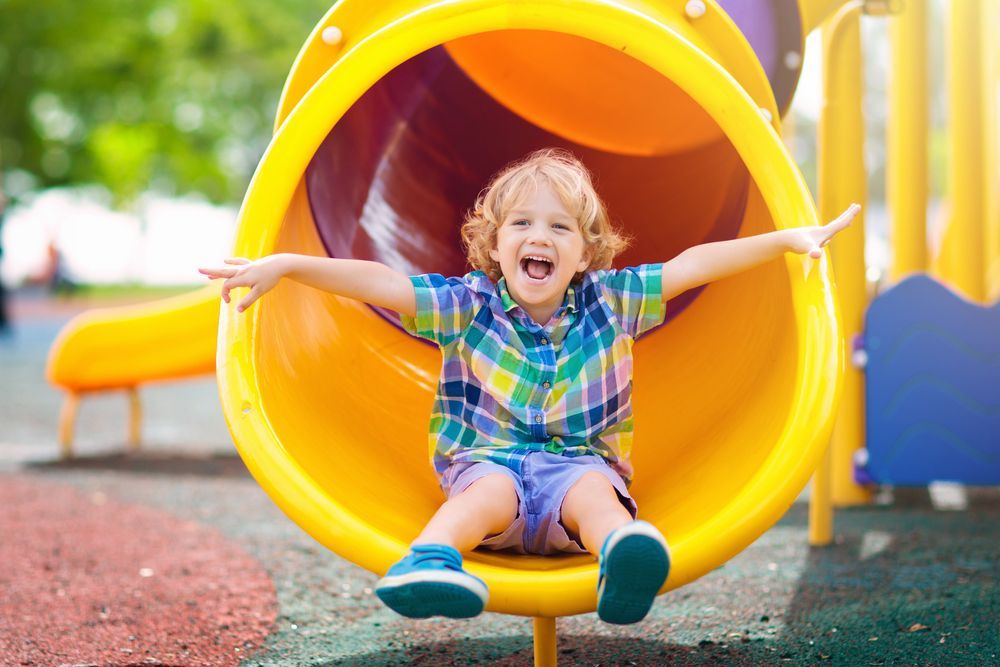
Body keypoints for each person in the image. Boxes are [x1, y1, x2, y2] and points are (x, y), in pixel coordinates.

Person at [200, 148, 858, 625]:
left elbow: (692, 266)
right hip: (490, 469)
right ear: (493, 244)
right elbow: (381, 282)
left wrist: (784, 240)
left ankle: (622, 554)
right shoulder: (467, 303)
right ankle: (429, 560)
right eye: (521, 224)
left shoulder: (613, 299)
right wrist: (285, 264)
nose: (538, 237)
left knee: (596, 492)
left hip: (577, 468)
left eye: (559, 228)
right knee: (488, 487)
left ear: (585, 253)